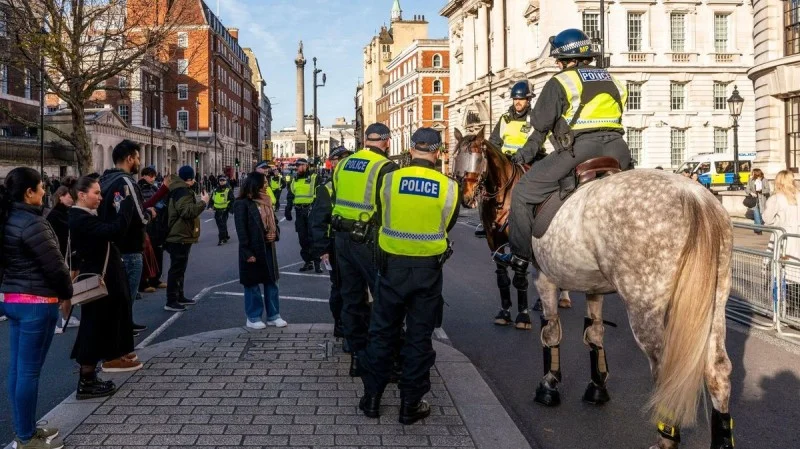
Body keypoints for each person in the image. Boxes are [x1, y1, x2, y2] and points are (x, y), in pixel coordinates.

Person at [494, 28, 631, 272]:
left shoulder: (561, 81)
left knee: (524, 191)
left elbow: (540, 124)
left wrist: (524, 155)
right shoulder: (613, 79)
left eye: (559, 60)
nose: (557, 64)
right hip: (618, 149)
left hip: (581, 148)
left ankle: (520, 256)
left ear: (570, 60)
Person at [358, 128, 460, 424]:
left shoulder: (389, 179)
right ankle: (410, 405)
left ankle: (373, 399)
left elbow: (379, 213)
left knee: (381, 333)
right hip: (428, 270)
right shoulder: (448, 187)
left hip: (391, 267)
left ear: (410, 149)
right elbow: (448, 223)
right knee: (418, 338)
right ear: (438, 153)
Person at [1, 167, 71, 449]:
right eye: (41, 187)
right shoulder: (34, 223)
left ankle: (25, 428)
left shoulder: (7, 218)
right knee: (29, 372)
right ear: (29, 192)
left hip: (13, 299)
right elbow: (55, 266)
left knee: (18, 370)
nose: (45, 192)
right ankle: (26, 437)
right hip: (38, 302)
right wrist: (67, 293)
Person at [331, 123, 399, 376]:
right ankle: (385, 359)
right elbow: (389, 207)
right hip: (369, 238)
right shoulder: (386, 167)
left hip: (342, 237)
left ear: (365, 141)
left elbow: (338, 196)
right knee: (382, 297)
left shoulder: (344, 164)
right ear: (387, 142)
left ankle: (357, 356)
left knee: (351, 297)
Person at [69, 176, 143, 399]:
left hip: (103, 277)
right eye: (96, 193)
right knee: (93, 328)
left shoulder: (86, 216)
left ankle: (93, 374)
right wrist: (127, 207)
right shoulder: (80, 217)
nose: (101, 198)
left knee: (100, 325)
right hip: (96, 279)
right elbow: (114, 230)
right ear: (82, 195)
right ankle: (87, 380)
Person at [98, 140, 153, 335]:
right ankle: (122, 329)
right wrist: (149, 216)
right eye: (137, 157)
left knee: (119, 293)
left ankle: (126, 322)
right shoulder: (127, 182)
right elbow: (138, 215)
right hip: (130, 245)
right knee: (127, 293)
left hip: (112, 246)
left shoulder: (104, 180)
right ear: (129, 158)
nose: (139, 161)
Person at [310, 145, 354, 339]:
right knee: (339, 287)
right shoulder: (326, 189)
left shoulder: (355, 185)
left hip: (355, 242)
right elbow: (318, 222)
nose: (343, 164)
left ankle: (354, 327)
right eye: (339, 160)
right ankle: (341, 325)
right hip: (334, 244)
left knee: (355, 288)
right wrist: (323, 249)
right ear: (333, 163)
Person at [233, 172, 286, 329]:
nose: (267, 184)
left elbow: (275, 223)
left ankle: (273, 315)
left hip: (268, 247)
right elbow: (241, 230)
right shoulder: (242, 203)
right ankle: (253, 317)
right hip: (253, 248)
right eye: (264, 181)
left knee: (272, 282)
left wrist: (274, 234)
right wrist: (247, 252)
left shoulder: (267, 200)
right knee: (252, 284)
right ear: (256, 184)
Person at [164, 166, 209, 312]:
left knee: (180, 268)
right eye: (193, 178)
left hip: (181, 234)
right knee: (176, 269)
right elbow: (186, 211)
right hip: (179, 235)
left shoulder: (179, 189)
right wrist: (203, 202)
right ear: (189, 179)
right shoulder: (182, 191)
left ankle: (179, 295)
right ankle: (171, 300)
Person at [46, 182, 81, 334]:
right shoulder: (55, 214)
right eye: (69, 196)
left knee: (70, 286)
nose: (72, 198)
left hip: (70, 254)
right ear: (61, 197)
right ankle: (59, 318)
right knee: (63, 287)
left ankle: (66, 316)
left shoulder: (67, 212)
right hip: (62, 255)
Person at [285, 158, 323, 273]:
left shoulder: (314, 177)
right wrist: (288, 209)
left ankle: (317, 263)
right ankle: (308, 262)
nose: (298, 168)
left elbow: (320, 195)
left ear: (306, 166)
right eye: (297, 166)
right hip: (299, 212)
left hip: (311, 211)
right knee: (303, 238)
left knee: (314, 238)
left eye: (300, 165)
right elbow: (291, 195)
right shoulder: (294, 180)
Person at [138, 167, 164, 292]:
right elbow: (139, 206)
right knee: (145, 255)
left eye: (154, 176)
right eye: (150, 176)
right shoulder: (138, 188)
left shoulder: (154, 188)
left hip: (156, 224)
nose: (153, 178)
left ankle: (156, 279)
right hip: (146, 225)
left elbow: (161, 202)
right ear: (143, 176)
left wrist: (157, 209)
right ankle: (144, 282)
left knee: (158, 253)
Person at [209, 175, 235, 245]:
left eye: (223, 180)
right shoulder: (215, 190)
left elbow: (232, 200)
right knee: (220, 225)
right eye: (220, 180)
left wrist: (230, 209)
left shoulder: (228, 190)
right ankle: (226, 236)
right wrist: (210, 206)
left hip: (224, 210)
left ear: (226, 181)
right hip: (217, 210)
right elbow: (211, 199)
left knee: (222, 225)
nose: (222, 182)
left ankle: (221, 239)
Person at [746, 168, 770, 234]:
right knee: (756, 214)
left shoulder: (764, 180)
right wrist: (751, 193)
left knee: (762, 216)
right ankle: (759, 230)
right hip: (754, 201)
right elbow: (747, 189)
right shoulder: (751, 180)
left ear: (757, 174)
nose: (752, 174)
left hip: (762, 200)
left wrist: (762, 191)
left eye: (753, 173)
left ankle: (756, 228)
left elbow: (768, 190)